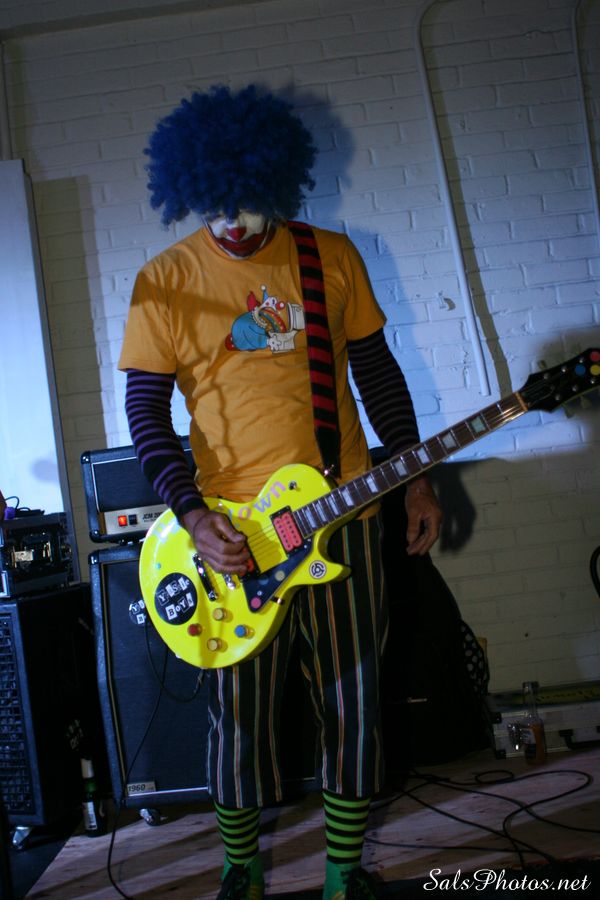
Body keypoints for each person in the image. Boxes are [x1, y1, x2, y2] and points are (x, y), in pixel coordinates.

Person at [118, 85, 442, 900]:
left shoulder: (330, 257)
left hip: (344, 512)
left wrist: (416, 480)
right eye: (216, 206)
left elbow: (378, 375)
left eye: (251, 203)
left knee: (354, 699)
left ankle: (343, 874)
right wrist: (192, 516)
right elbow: (145, 411)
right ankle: (241, 870)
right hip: (234, 532)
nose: (234, 222)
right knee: (240, 712)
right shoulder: (164, 280)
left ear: (279, 181)